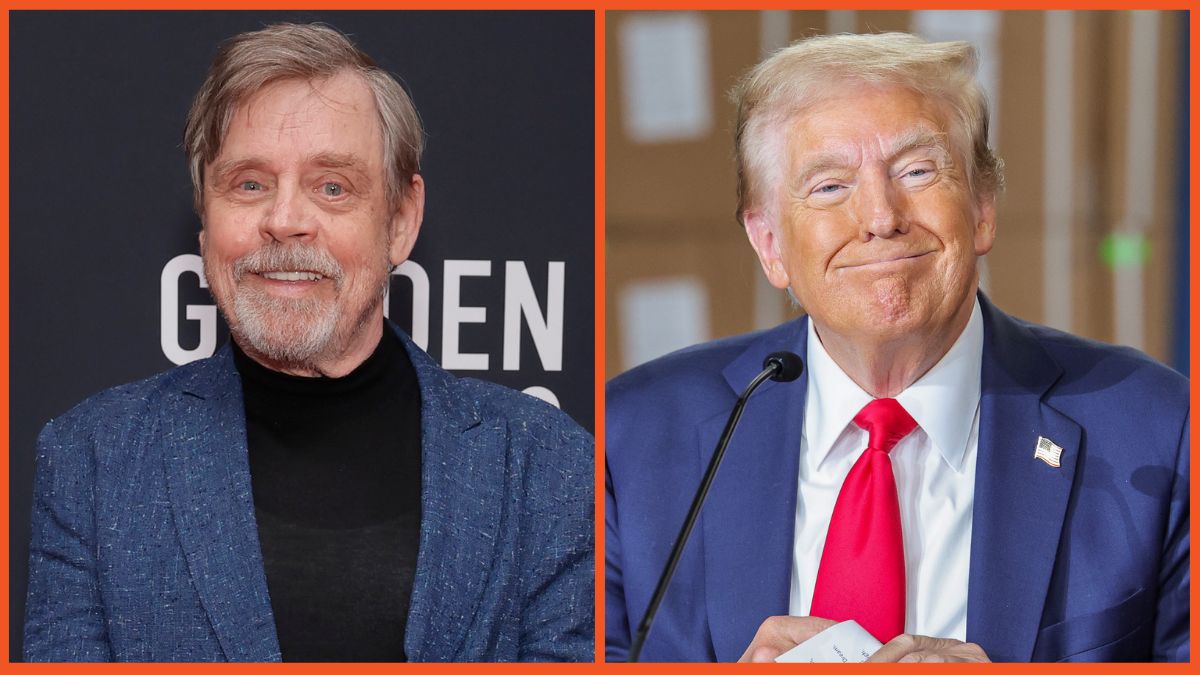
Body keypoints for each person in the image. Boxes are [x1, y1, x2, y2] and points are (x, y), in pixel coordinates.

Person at [605, 32, 1188, 663]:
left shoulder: (1158, 431)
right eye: (829, 186)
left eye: (917, 171)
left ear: (983, 206)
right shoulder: (634, 440)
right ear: (769, 242)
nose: (881, 216)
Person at [24, 23, 593, 663]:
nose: (286, 220)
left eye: (332, 187)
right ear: (205, 221)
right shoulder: (93, 461)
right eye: (249, 184)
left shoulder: (546, 466)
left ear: (401, 223)